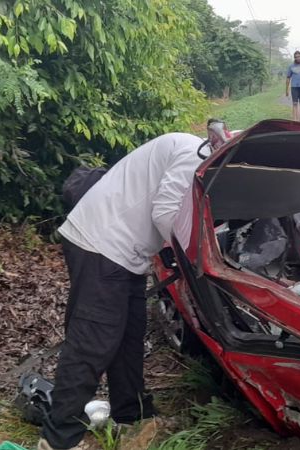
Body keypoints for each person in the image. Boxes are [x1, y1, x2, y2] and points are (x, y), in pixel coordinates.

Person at [38, 132, 207, 450]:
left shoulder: (197, 155)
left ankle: (132, 416)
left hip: (126, 251)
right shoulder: (195, 154)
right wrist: (194, 257)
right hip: (102, 242)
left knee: (129, 336)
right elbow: (165, 213)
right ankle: (58, 439)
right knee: (93, 341)